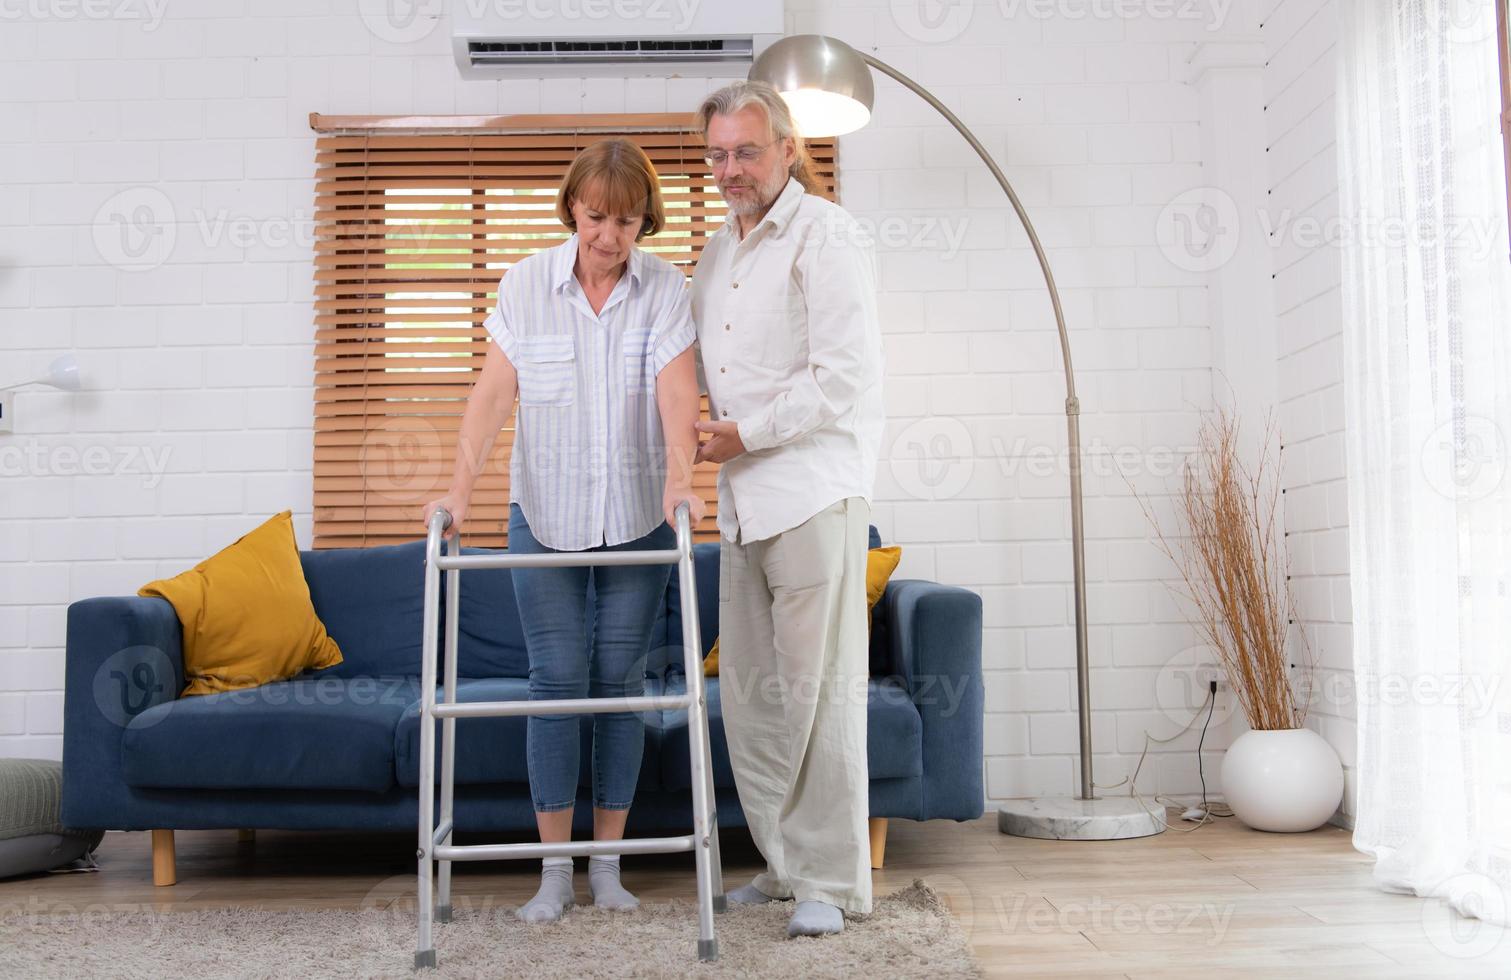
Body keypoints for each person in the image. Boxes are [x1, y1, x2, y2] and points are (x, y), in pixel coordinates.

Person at [422, 138, 704, 924]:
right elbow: (491, 394)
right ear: (570, 209)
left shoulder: (664, 290)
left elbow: (677, 392)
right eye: (593, 218)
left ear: (645, 217)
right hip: (542, 512)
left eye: (624, 220)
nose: (607, 236)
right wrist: (459, 487)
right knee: (554, 684)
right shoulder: (523, 284)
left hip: (639, 512)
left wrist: (682, 480)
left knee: (616, 688)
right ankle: (552, 872)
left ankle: (607, 867)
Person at [689, 80, 885, 938]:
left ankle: (832, 883)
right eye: (718, 154)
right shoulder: (718, 252)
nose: (731, 168)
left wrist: (747, 435)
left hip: (809, 492)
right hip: (742, 503)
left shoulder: (826, 235)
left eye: (747, 151)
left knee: (822, 694)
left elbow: (842, 376)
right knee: (761, 699)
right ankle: (781, 865)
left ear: (788, 150)